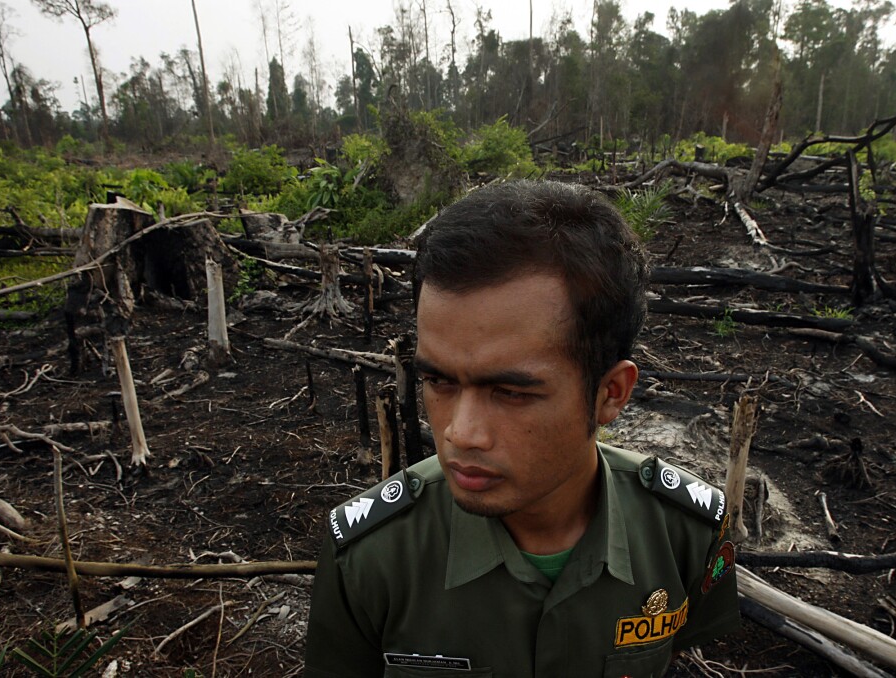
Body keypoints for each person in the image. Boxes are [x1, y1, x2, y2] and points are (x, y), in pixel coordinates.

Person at [304, 180, 739, 677]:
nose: (460, 434)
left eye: (511, 393)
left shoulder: (685, 535)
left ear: (610, 393)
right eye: (438, 380)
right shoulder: (370, 560)